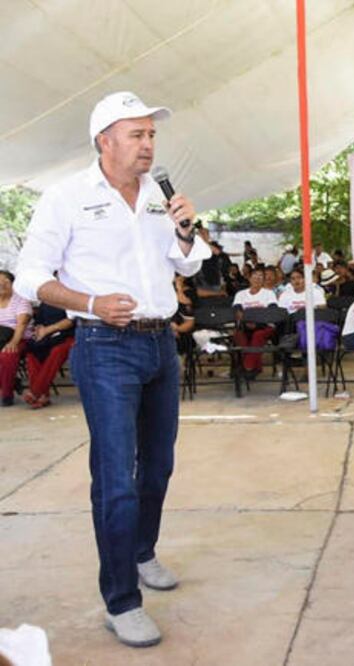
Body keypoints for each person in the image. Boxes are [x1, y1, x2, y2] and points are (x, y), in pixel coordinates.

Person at [13, 91, 210, 647]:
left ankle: (142, 551)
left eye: (152, 135)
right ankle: (121, 601)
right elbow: (31, 274)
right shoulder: (66, 197)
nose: (149, 145)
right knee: (116, 478)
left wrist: (187, 229)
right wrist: (90, 302)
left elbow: (189, 261)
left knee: (159, 468)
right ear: (105, 140)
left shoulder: (159, 197)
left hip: (159, 346)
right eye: (138, 135)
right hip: (105, 347)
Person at [24, 301, 75, 409]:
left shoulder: (70, 299)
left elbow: (70, 321)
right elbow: (39, 322)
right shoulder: (46, 301)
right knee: (32, 352)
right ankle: (43, 395)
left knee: (57, 351)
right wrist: (39, 331)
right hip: (49, 336)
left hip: (69, 335)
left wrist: (47, 330)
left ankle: (36, 391)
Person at [232, 266, 279, 380]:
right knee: (238, 335)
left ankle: (247, 367)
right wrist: (246, 322)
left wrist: (258, 323)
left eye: (260, 277)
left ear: (263, 280)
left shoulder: (269, 294)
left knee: (257, 335)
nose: (257, 279)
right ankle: (254, 367)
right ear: (249, 278)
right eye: (255, 276)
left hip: (264, 326)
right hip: (245, 325)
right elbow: (238, 311)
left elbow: (271, 312)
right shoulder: (241, 294)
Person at [0, 269, 32, 406]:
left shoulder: (21, 300)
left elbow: (22, 324)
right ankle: (14, 382)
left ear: (13, 284)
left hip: (19, 338)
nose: (2, 284)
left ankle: (7, 394)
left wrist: (13, 342)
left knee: (8, 354)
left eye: (6, 281)